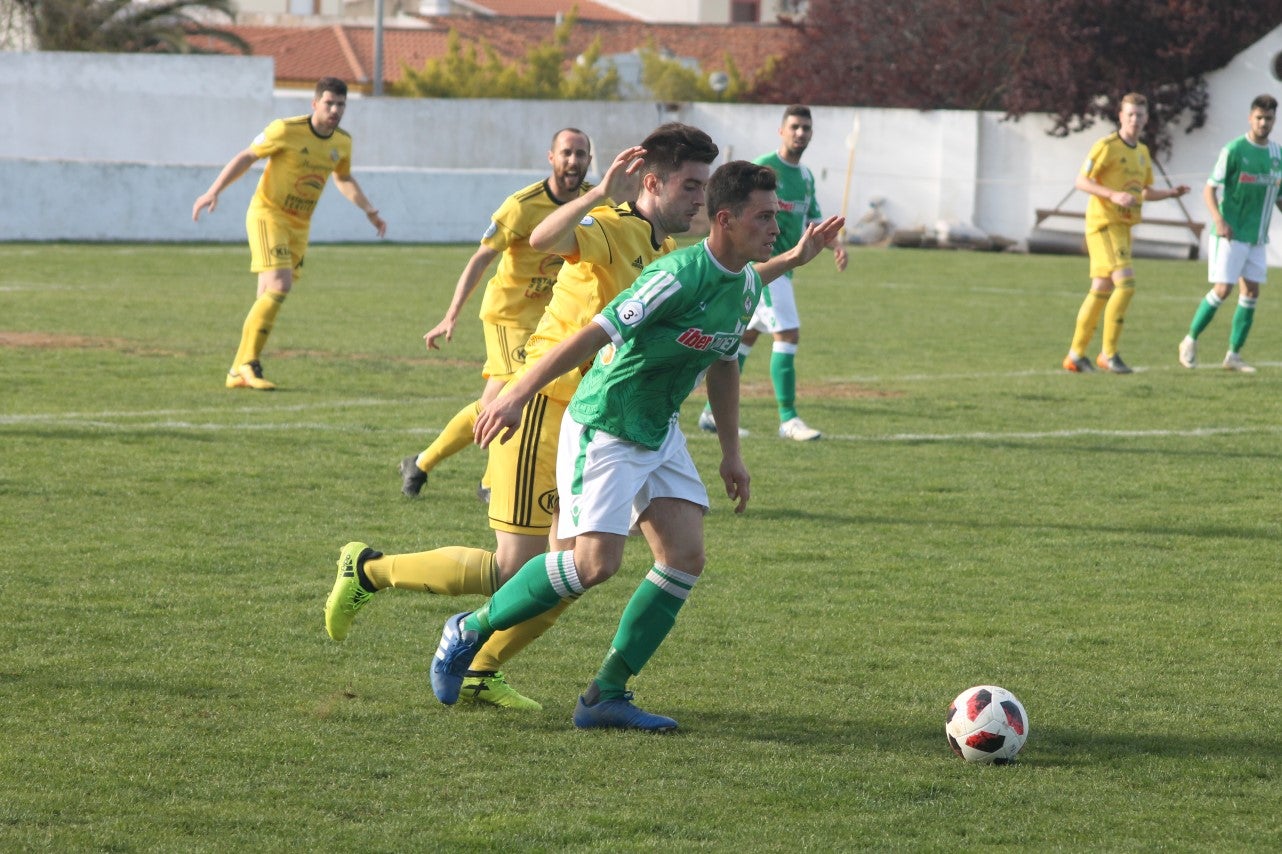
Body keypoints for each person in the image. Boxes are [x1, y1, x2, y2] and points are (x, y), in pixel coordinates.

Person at [430, 161, 844, 731]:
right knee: (593, 565)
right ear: (725, 220)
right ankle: (469, 629)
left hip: (660, 430)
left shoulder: (746, 284)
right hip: (607, 425)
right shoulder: (673, 275)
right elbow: (592, 334)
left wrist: (731, 452)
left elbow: (723, 363)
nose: (778, 227)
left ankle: (605, 696)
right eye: (765, 217)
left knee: (684, 558)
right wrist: (516, 394)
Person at [323, 124, 719, 711]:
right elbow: (543, 235)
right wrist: (596, 192)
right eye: (690, 185)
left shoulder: (666, 252)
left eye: (705, 187)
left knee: (573, 573)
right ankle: (370, 572)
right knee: (517, 567)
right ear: (652, 182)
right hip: (541, 403)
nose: (700, 200)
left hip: (595, 419)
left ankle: (482, 669)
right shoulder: (613, 226)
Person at [399, 129, 594, 499]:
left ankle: (423, 463)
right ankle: (490, 482)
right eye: (566, 153)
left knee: (496, 402)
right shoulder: (522, 205)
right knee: (518, 393)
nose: (574, 161)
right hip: (509, 315)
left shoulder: (593, 201)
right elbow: (481, 258)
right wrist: (451, 314)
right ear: (551, 157)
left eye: (581, 154)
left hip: (552, 320)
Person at [192, 77, 387, 391]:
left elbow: (344, 177)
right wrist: (213, 191)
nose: (335, 110)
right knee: (280, 285)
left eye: (341, 105)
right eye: (329, 103)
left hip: (300, 225)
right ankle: (248, 363)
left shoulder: (342, 143)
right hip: (268, 214)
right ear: (314, 104)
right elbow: (247, 156)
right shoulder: (285, 130)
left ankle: (236, 371)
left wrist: (370, 211)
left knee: (268, 294)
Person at [698, 104, 847, 440]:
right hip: (762, 269)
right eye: (794, 127)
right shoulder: (763, 169)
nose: (800, 133)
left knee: (745, 338)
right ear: (781, 131)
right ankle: (788, 420)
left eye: (806, 128)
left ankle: (710, 413)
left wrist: (834, 245)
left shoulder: (806, 176)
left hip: (785, 270)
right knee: (788, 334)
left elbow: (813, 221)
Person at [1061, 92, 1190, 375]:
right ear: (1120, 116)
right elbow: (1081, 181)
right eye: (1130, 114)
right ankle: (1108, 354)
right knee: (1126, 285)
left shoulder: (1142, 152)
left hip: (1123, 227)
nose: (1135, 120)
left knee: (1102, 288)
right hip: (1105, 223)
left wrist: (1170, 192)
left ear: (1146, 118)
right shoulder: (1106, 146)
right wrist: (1113, 195)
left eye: (1140, 115)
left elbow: (1142, 191)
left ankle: (1075, 355)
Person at [1178, 94, 1282, 373]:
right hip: (1230, 234)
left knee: (1251, 293)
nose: (1263, 123)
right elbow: (1210, 188)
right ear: (1250, 117)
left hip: (1257, 237)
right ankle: (1190, 339)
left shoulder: (1277, 155)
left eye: (1269, 118)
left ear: (1274, 120)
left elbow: (1278, 196)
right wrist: (1219, 220)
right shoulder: (1234, 150)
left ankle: (1233, 356)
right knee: (1223, 289)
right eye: (1259, 117)